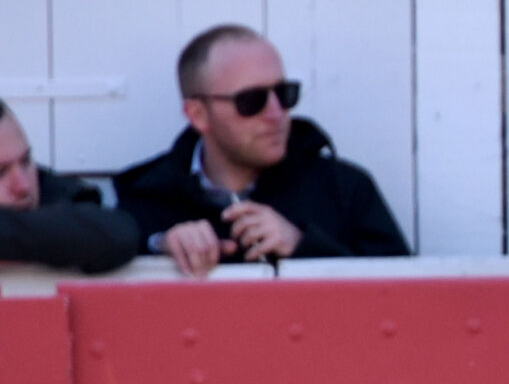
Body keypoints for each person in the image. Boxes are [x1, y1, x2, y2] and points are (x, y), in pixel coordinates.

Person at [116, 25, 410, 274]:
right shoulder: (146, 198)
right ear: (198, 115)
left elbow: (405, 304)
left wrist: (303, 246)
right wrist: (160, 247)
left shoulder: (345, 190)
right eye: (251, 101)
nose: (276, 113)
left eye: (284, 94)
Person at [0, 98, 142, 274]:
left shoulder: (61, 195)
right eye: (1, 173)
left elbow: (117, 235)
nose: (23, 186)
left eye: (26, 161)